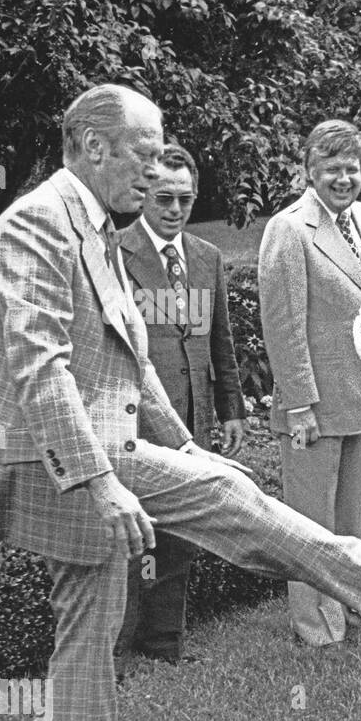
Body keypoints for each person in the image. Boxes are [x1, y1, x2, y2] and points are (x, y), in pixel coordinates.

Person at [0, 84, 361, 721]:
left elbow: (131, 360)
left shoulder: (94, 227)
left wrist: (187, 445)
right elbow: (39, 369)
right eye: (146, 154)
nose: (158, 173)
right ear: (95, 147)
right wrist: (102, 481)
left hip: (90, 442)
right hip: (50, 453)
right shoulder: (36, 227)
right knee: (232, 506)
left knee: (92, 615)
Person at [259, 119, 361, 646]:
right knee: (310, 525)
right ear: (309, 171)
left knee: (349, 519)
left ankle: (346, 609)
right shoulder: (289, 228)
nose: (345, 178)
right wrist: (299, 405)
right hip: (314, 406)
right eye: (332, 168)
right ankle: (314, 628)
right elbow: (284, 325)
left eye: (353, 167)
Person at [114, 143, 245, 665]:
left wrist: (230, 408)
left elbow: (221, 342)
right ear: (143, 194)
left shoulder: (208, 257)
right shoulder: (114, 255)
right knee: (129, 537)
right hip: (134, 420)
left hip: (193, 418)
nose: (174, 209)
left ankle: (165, 641)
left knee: (181, 532)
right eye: (163, 197)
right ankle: (117, 650)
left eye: (185, 200)